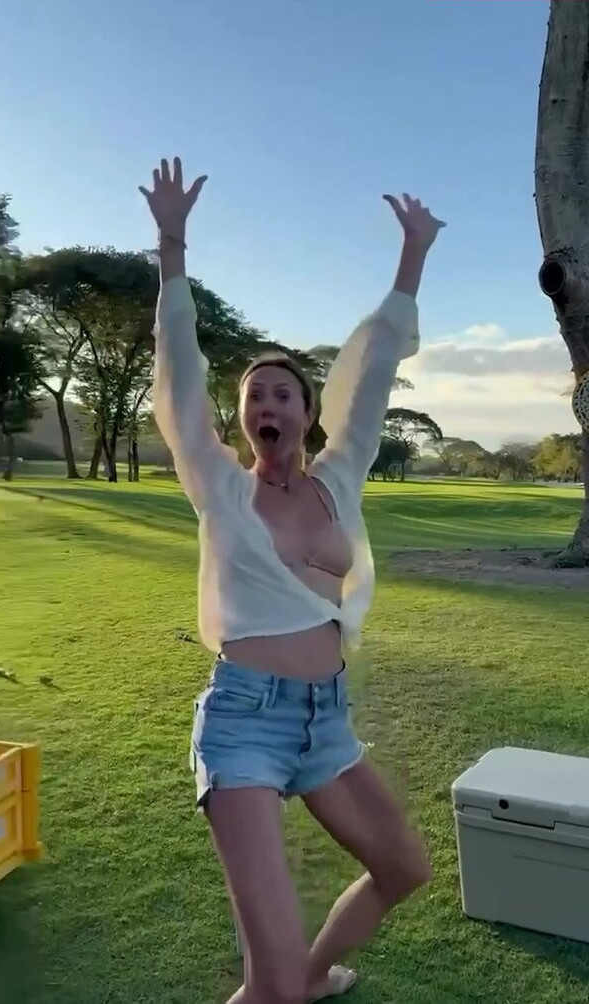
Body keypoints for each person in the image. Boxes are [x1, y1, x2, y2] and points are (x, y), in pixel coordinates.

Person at [139, 157, 445, 1004]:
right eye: (253, 398)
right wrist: (172, 247)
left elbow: (373, 372)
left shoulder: (339, 479)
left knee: (404, 868)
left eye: (282, 394)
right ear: (242, 420)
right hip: (245, 722)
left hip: (326, 721)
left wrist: (413, 258)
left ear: (307, 414)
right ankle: (283, 987)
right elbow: (180, 375)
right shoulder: (220, 486)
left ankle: (306, 981)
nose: (265, 405)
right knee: (263, 986)